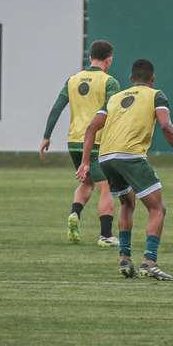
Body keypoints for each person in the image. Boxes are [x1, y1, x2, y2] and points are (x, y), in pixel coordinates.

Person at [76, 58, 173, 281]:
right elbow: (166, 125)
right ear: (153, 79)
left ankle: (125, 258)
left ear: (131, 79)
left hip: (106, 157)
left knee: (127, 203)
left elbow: (91, 128)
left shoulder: (115, 98)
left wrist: (85, 162)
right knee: (157, 208)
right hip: (130, 155)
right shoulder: (156, 95)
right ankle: (149, 262)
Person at [40, 40, 120, 247]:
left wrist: (46, 136)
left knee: (86, 182)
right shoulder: (109, 82)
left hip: (74, 141)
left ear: (90, 56)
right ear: (109, 60)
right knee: (105, 187)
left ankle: (75, 213)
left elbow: (57, 107)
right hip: (96, 143)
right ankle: (105, 236)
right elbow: (111, 113)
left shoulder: (72, 80)